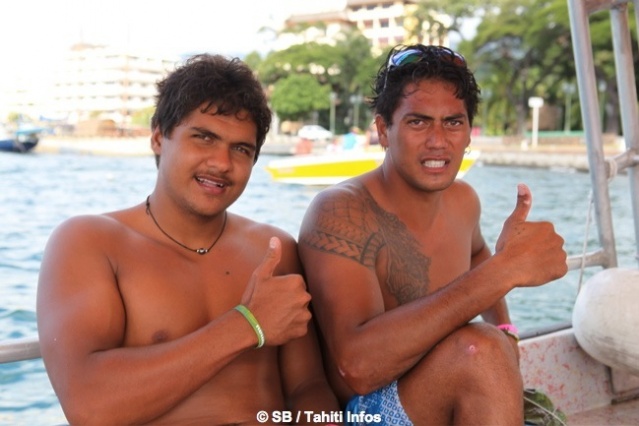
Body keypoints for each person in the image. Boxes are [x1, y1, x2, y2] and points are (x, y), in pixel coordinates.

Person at [37, 54, 339, 425]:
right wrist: (248, 324)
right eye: (204, 138)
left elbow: (307, 387)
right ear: (158, 137)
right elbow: (89, 406)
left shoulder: (273, 250)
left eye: (241, 149)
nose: (222, 163)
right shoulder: (90, 243)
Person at [297, 44, 568, 425]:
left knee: (489, 348)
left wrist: (506, 330)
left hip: (442, 393)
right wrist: (506, 270)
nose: (438, 141)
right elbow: (357, 368)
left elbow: (477, 254)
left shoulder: (464, 201)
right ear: (383, 130)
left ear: (469, 133)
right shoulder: (342, 211)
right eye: (418, 122)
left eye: (453, 123)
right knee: (480, 350)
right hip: (364, 412)